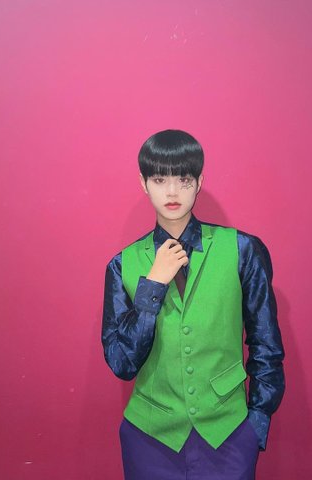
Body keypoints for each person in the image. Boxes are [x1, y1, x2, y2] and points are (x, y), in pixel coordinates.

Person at [101, 129, 285, 480]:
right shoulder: (121, 265)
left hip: (229, 433)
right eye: (159, 179)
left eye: (183, 179)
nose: (172, 192)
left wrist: (257, 423)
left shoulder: (243, 250)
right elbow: (122, 363)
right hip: (150, 438)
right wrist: (153, 285)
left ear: (200, 181)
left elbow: (266, 343)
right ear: (143, 183)